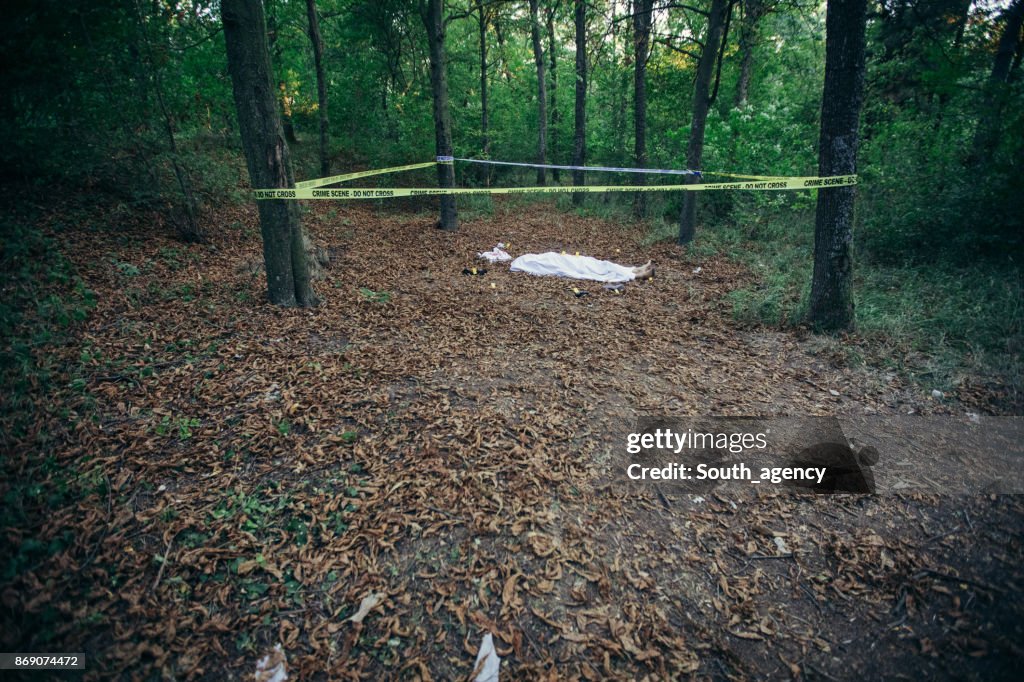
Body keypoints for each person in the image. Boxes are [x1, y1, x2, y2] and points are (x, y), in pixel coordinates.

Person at [509, 251, 655, 283]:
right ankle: (637, 274)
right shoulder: (527, 262)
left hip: (564, 259)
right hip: (565, 264)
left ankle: (635, 269)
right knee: (600, 268)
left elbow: (550, 257)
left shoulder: (530, 258)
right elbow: (550, 266)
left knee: (600, 263)